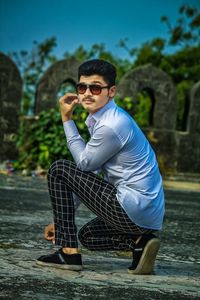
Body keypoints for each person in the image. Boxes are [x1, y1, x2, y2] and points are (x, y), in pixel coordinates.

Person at [36, 59, 165, 274]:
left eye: (95, 87)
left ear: (111, 91)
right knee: (88, 236)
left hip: (131, 207)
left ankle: (68, 253)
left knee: (59, 169)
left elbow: (84, 163)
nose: (87, 93)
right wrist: (60, 222)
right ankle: (141, 243)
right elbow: (88, 174)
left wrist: (66, 118)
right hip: (146, 215)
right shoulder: (105, 119)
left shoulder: (112, 125)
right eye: (82, 87)